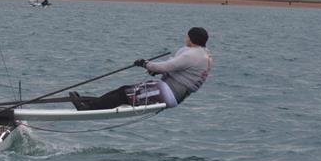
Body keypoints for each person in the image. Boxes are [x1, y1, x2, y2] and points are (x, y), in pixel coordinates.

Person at [69, 27, 213, 111]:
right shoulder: (202, 54)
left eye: (187, 36)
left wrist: (145, 63)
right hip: (173, 93)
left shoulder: (192, 54)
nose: (185, 38)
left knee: (124, 95)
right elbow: (175, 68)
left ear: (191, 39)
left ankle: (87, 108)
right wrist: (155, 70)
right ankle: (89, 104)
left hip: (168, 93)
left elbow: (166, 66)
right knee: (123, 90)